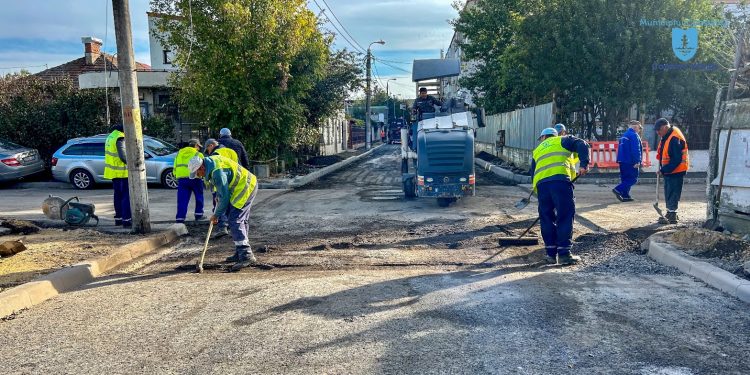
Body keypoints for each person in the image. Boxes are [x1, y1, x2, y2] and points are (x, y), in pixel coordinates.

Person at [188, 154, 259, 271]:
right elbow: (220, 188)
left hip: (245, 186)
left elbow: (225, 197)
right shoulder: (211, 164)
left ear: (201, 168)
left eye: (197, 173)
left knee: (235, 220)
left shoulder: (217, 173)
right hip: (243, 185)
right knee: (240, 220)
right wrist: (218, 195)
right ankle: (240, 251)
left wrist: (216, 214)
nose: (198, 176)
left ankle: (246, 254)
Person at [530, 127, 590, 265]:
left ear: (543, 138)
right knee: (565, 215)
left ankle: (550, 254)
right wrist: (584, 163)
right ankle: (564, 254)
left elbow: (532, 172)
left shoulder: (537, 150)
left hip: (542, 186)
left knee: (546, 218)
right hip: (560, 182)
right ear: (555, 135)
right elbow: (582, 144)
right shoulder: (562, 140)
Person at [655, 118, 689, 224]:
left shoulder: (674, 138)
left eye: (659, 130)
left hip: (676, 170)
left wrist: (664, 170)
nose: (658, 133)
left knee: (673, 191)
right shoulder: (667, 135)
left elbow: (676, 159)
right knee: (669, 191)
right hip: (670, 170)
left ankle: (672, 215)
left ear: (665, 127)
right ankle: (670, 212)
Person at [203, 138, 239, 238]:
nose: (208, 153)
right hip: (233, 183)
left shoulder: (215, 154)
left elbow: (215, 172)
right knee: (232, 206)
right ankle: (233, 228)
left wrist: (216, 191)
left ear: (211, 145)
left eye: (207, 150)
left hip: (220, 183)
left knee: (220, 204)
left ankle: (223, 227)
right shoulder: (232, 152)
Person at [103, 124, 132, 228]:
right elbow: (123, 156)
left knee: (118, 196)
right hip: (122, 173)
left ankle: (119, 219)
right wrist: (132, 162)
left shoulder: (111, 137)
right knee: (126, 197)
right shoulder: (120, 137)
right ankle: (127, 220)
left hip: (114, 172)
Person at [173, 139, 205, 223]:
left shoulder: (179, 153)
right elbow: (203, 168)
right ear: (196, 146)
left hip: (182, 179)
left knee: (182, 199)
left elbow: (175, 166)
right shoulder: (198, 154)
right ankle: (199, 215)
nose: (199, 148)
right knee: (199, 197)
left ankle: (180, 218)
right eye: (198, 146)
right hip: (195, 178)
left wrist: (176, 175)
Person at [613, 121, 643, 202]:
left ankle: (625, 195)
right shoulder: (634, 135)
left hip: (622, 160)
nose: (640, 130)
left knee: (625, 179)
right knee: (633, 179)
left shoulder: (624, 135)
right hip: (630, 161)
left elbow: (620, 149)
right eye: (640, 128)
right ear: (635, 127)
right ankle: (618, 189)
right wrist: (637, 161)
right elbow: (636, 149)